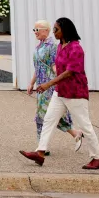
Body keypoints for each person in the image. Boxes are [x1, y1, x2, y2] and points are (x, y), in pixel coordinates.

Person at [20, 17, 99, 170]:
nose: (54, 32)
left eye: (56, 29)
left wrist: (48, 84)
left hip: (75, 93)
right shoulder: (60, 46)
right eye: (53, 29)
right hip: (60, 92)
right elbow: (56, 68)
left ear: (65, 30)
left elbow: (70, 72)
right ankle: (40, 153)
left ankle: (98, 158)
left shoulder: (76, 48)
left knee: (85, 125)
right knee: (48, 120)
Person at [28, 20, 83, 153]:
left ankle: (41, 148)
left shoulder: (52, 46)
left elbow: (56, 65)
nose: (35, 33)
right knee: (45, 115)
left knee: (45, 114)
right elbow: (39, 67)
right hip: (42, 85)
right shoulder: (39, 46)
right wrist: (31, 83)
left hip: (49, 85)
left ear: (46, 30)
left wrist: (57, 82)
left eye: (37, 30)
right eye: (34, 30)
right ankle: (73, 134)